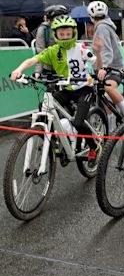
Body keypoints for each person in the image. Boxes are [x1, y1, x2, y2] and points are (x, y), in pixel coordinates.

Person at [10, 16, 102, 165]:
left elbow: (95, 62)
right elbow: (33, 60)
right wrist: (18, 70)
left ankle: (94, 147)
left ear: (73, 33)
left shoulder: (80, 48)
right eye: (61, 34)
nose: (65, 37)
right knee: (44, 108)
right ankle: (57, 142)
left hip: (84, 88)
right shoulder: (53, 51)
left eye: (68, 34)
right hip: (67, 88)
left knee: (78, 123)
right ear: (56, 35)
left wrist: (99, 62)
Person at [88, 0, 124, 130]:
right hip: (110, 67)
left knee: (108, 88)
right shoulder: (106, 25)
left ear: (90, 17)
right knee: (104, 96)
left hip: (114, 68)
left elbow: (107, 50)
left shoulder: (102, 27)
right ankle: (111, 125)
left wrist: (104, 68)